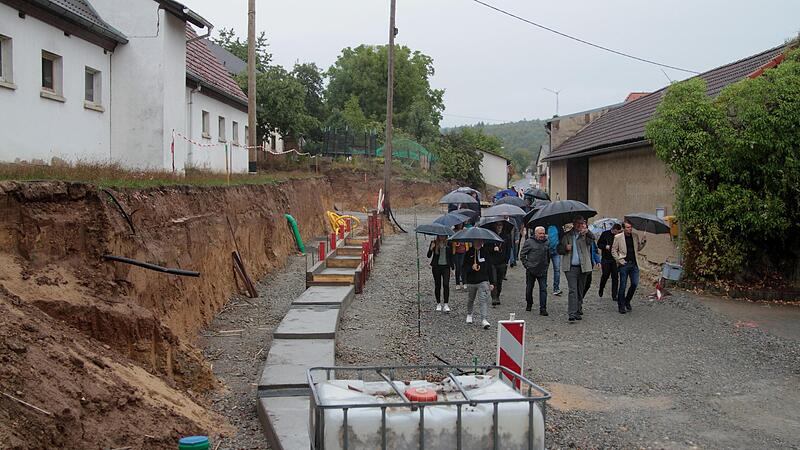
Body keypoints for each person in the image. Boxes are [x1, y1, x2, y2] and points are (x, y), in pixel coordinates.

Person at [557, 216, 596, 322]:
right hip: (570, 267)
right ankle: (572, 313)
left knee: (580, 290)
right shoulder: (566, 236)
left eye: (582, 223)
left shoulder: (585, 235)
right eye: (578, 223)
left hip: (583, 266)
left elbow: (592, 240)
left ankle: (578, 309)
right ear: (574, 224)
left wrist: (588, 232)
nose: (580, 225)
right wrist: (565, 248)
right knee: (573, 290)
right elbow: (559, 249)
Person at [612, 220, 647, 314]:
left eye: (631, 227)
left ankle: (627, 300)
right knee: (623, 285)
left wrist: (643, 242)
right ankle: (621, 305)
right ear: (624, 228)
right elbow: (613, 250)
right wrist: (619, 260)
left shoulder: (635, 236)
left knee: (635, 284)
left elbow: (638, 249)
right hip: (624, 264)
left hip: (634, 264)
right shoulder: (618, 237)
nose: (630, 229)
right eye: (628, 227)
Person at [463, 239, 495, 329]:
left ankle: (484, 319)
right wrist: (471, 267)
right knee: (471, 299)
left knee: (483, 300)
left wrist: (492, 282)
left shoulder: (485, 253)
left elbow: (489, 267)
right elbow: (464, 268)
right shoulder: (469, 253)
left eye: (480, 242)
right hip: (471, 281)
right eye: (476, 242)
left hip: (483, 280)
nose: (478, 244)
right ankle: (469, 314)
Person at [520, 226, 550, 315]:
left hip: (543, 270)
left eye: (543, 233)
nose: (542, 235)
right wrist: (527, 266)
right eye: (540, 233)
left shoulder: (547, 242)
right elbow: (522, 255)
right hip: (531, 270)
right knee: (529, 289)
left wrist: (547, 265)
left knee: (543, 289)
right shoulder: (529, 242)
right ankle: (529, 303)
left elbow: (548, 255)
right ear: (536, 233)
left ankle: (543, 308)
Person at [487, 221, 511, 307]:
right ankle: (494, 297)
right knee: (493, 280)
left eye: (500, 225)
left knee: (500, 281)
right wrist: (493, 248)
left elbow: (509, 249)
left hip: (502, 261)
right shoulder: (490, 235)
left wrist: (506, 261)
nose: (499, 226)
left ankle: (497, 295)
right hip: (492, 262)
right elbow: (486, 248)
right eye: (497, 225)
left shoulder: (506, 236)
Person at [597, 224, 622, 303]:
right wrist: (605, 246)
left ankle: (614, 295)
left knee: (615, 277)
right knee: (605, 275)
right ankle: (601, 288)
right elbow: (599, 244)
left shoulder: (618, 236)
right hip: (606, 259)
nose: (617, 233)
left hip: (615, 260)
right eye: (616, 232)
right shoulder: (605, 234)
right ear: (614, 229)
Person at [427, 235, 453, 312]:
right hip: (436, 267)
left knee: (446, 284)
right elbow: (428, 256)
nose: (442, 237)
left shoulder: (449, 243)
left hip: (446, 267)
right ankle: (438, 303)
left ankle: (446, 304)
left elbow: (451, 256)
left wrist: (452, 268)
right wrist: (431, 248)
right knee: (437, 285)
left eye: (443, 236)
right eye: (440, 235)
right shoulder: (434, 242)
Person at [547, 224, 563, 296]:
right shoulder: (544, 225)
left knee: (557, 270)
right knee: (544, 269)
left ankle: (556, 288)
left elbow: (562, 236)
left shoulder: (558, 226)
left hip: (556, 251)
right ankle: (543, 285)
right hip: (546, 251)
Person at [452, 223, 468, 290]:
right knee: (457, 267)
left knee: (462, 266)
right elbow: (451, 240)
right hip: (456, 251)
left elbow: (467, 240)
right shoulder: (453, 231)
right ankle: (457, 283)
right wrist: (456, 243)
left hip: (464, 251)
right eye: (459, 224)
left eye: (461, 223)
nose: (460, 225)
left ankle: (464, 282)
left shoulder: (465, 230)